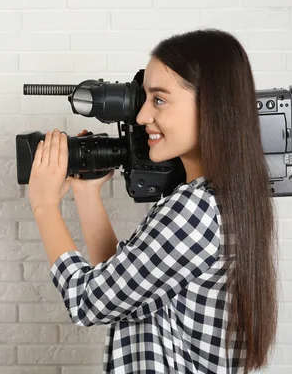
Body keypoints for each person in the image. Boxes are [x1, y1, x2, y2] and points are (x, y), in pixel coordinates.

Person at [27, 28, 279, 373]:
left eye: (159, 100)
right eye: (144, 99)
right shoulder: (219, 200)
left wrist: (44, 206)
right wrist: (87, 193)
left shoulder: (193, 210)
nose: (143, 116)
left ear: (211, 106)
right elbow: (126, 293)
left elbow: (88, 302)